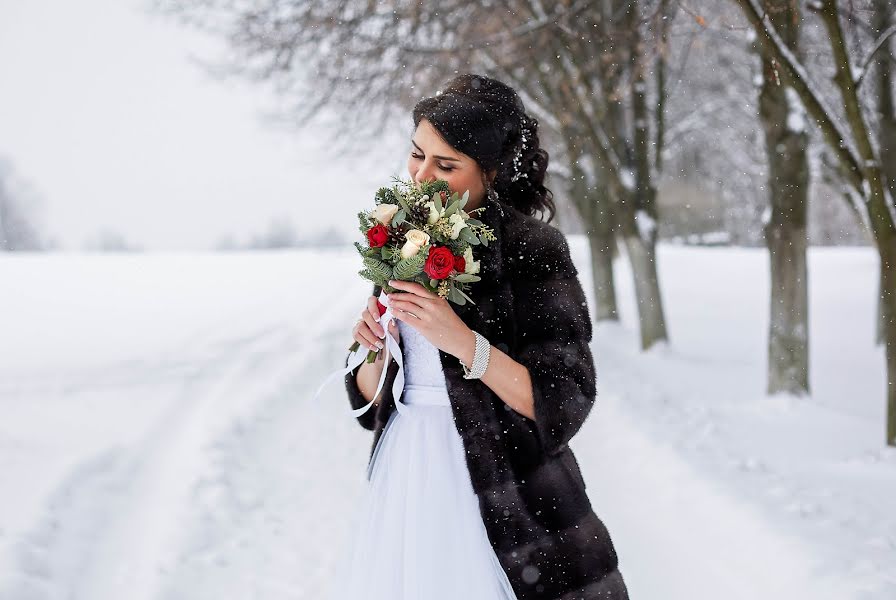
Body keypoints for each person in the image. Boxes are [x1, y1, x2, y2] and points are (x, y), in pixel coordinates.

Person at [339, 74, 628, 600]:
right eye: (416, 155)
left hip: (508, 489)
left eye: (445, 165)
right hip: (406, 472)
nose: (422, 176)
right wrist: (375, 353)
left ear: (490, 173)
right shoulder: (402, 236)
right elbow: (367, 404)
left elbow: (563, 402)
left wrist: (461, 342)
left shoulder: (534, 249)